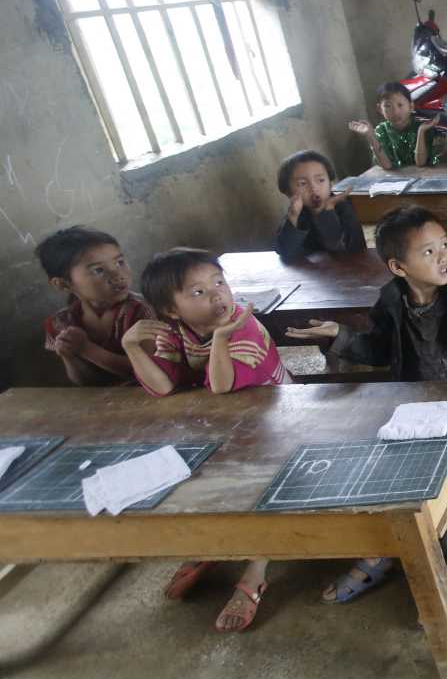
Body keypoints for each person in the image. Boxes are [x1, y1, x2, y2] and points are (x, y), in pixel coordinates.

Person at [284, 205, 447, 604]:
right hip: (412, 405)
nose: (444, 256)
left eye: (444, 245)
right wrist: (339, 334)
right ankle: (386, 549)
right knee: (393, 474)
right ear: (398, 266)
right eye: (428, 252)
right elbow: (376, 350)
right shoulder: (390, 302)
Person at [122, 247, 292, 633]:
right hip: (220, 423)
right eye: (197, 292)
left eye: (219, 282)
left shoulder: (243, 325)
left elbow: (222, 386)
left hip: (278, 421)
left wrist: (219, 338)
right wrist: (132, 346)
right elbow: (162, 388)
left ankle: (256, 568)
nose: (217, 295)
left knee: (259, 489)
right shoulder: (174, 333)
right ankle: (214, 547)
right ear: (170, 310)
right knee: (199, 479)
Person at [35, 226, 153, 385]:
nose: (118, 275)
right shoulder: (60, 324)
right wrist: (69, 356)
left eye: (119, 262)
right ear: (63, 284)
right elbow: (84, 384)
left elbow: (151, 370)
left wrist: (86, 349)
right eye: (98, 270)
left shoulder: (142, 311)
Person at [273, 150, 365, 261]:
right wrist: (292, 217)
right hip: (315, 274)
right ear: (288, 192)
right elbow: (284, 251)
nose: (313, 188)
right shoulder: (297, 213)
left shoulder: (343, 207)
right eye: (302, 183)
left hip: (351, 269)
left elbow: (347, 251)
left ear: (330, 184)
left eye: (320, 180)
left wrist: (327, 213)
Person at [348, 81, 440, 169]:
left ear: (411, 106)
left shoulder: (422, 127)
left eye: (400, 105)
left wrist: (421, 132)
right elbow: (387, 166)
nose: (395, 112)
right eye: (387, 106)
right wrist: (370, 135)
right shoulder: (381, 130)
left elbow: (421, 163)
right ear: (380, 109)